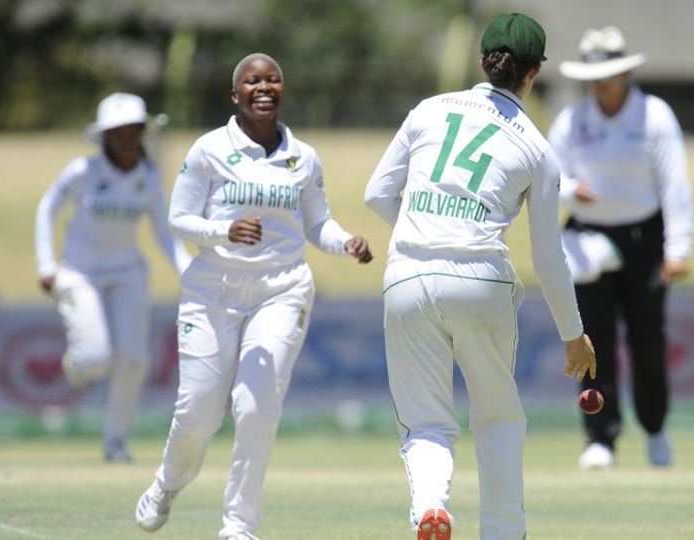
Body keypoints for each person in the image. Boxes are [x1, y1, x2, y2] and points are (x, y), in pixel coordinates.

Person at [365, 13, 596, 540]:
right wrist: (574, 336)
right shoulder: (538, 149)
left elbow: (376, 194)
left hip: (407, 276)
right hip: (481, 279)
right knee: (497, 419)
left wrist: (425, 229)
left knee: (425, 422)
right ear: (534, 72)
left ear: (481, 62)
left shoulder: (428, 110)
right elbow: (548, 257)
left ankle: (430, 507)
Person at [133, 52, 373, 539]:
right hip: (212, 291)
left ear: (283, 89)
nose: (263, 88)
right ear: (235, 94)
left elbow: (318, 224)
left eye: (273, 80)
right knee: (198, 412)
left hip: (281, 291)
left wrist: (345, 242)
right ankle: (167, 483)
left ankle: (239, 525)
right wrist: (224, 231)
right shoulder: (208, 150)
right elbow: (177, 219)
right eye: (251, 81)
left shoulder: (302, 156)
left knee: (255, 406)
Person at [549, 26, 694, 469]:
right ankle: (600, 438)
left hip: (643, 239)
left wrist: (679, 247)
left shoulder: (654, 116)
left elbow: (675, 184)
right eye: (593, 78)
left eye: (608, 77)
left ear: (624, 75)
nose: (601, 86)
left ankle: (655, 428)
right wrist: (575, 191)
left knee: (648, 340)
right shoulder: (571, 121)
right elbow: (546, 179)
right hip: (587, 238)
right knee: (591, 342)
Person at [34, 92, 191, 463]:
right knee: (95, 359)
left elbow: (162, 232)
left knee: (134, 360)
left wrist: (189, 272)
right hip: (79, 272)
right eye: (117, 130)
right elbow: (47, 208)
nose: (125, 137)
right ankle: (78, 363)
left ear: (141, 132)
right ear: (104, 135)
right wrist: (46, 265)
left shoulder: (149, 176)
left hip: (128, 272)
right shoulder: (82, 171)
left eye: (132, 129)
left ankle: (116, 444)